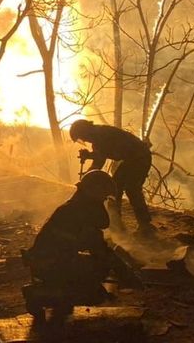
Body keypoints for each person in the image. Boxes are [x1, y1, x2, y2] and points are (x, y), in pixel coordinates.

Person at [23, 170, 136, 300]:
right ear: (94, 194)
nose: (104, 202)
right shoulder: (80, 214)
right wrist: (126, 275)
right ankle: (58, 294)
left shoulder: (72, 208)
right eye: (103, 198)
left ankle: (69, 290)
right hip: (52, 265)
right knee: (99, 267)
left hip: (47, 263)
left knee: (93, 265)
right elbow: (101, 251)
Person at [69, 119, 155, 235]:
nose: (84, 140)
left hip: (139, 158)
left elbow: (98, 163)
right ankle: (118, 224)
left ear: (84, 131)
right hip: (133, 159)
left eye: (81, 137)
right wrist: (89, 156)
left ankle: (143, 225)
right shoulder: (99, 134)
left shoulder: (100, 136)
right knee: (116, 188)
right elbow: (101, 156)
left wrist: (85, 180)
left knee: (131, 189)